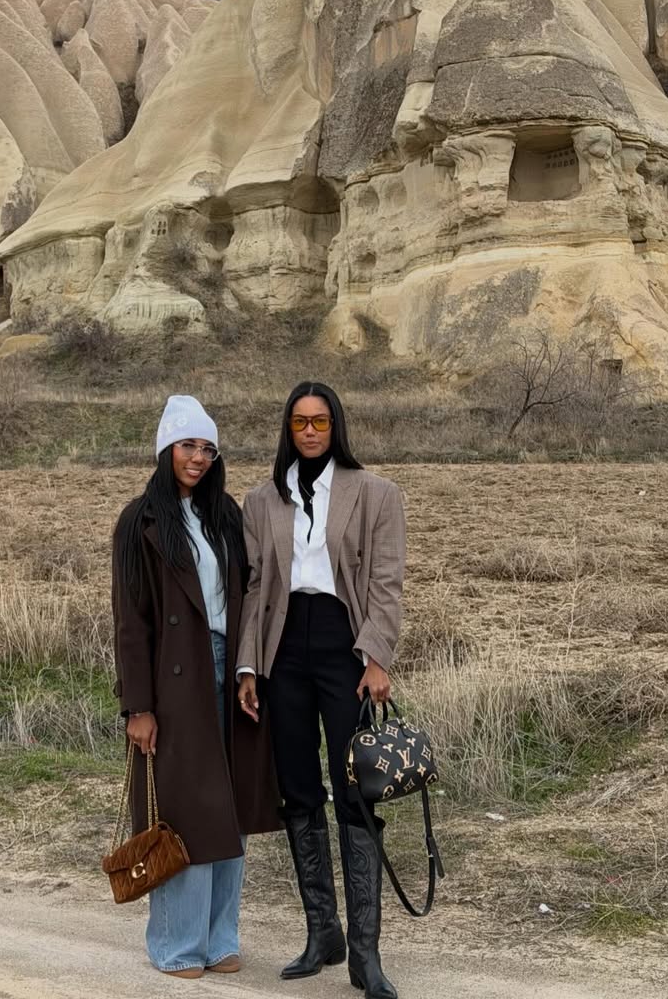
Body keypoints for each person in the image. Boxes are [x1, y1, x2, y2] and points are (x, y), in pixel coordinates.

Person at [236, 381, 406, 999]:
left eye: (320, 422)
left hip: (343, 645)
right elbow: (257, 588)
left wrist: (377, 657)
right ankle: (323, 935)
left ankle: (366, 956)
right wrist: (249, 666)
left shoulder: (376, 494)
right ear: (288, 429)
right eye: (300, 423)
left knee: (356, 788)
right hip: (284, 647)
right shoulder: (262, 500)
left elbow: (387, 583)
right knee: (300, 789)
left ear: (336, 427)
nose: (310, 431)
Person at [112, 395, 281, 979]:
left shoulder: (224, 515)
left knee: (227, 806)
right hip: (172, 678)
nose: (200, 458)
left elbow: (247, 598)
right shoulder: (140, 520)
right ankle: (175, 945)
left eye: (209, 449)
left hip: (228, 668)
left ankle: (218, 937)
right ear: (166, 448)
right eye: (189, 446)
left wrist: (248, 668)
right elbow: (131, 621)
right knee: (184, 810)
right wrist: (138, 705)